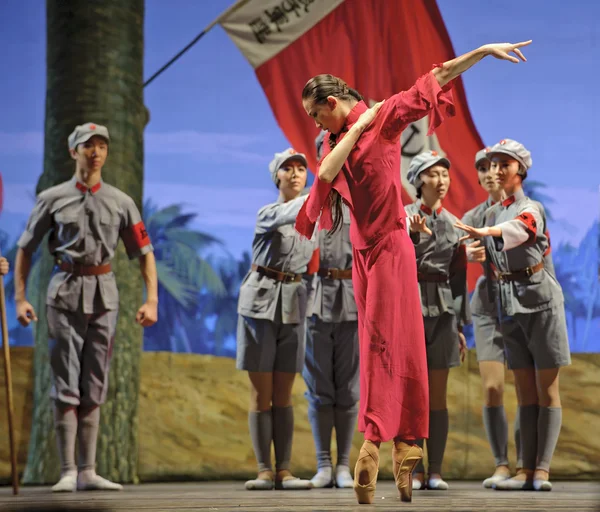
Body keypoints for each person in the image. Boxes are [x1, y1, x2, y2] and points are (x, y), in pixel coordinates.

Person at [296, 41, 532, 504]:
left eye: (315, 115)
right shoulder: (334, 137)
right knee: (393, 341)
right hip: (363, 254)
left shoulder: (383, 119)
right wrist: (358, 123)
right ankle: (406, 440)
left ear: (330, 104)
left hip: (391, 249)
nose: (315, 125)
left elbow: (434, 80)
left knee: (382, 340)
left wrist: (481, 52)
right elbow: (324, 173)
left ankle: (372, 440)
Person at [14, 122, 158, 492]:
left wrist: (151, 299)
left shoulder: (121, 201)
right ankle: (66, 470)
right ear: (73, 151)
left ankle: (88, 470)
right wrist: (19, 297)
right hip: (63, 293)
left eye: (101, 146)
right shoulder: (52, 197)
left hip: (104, 295)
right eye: (87, 146)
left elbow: (144, 253)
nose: (95, 152)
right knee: (66, 381)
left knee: (95, 381)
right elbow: (25, 249)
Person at [455, 139, 570, 492]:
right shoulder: (489, 213)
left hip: (541, 303)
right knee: (523, 391)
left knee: (546, 388)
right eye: (492, 164)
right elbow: (474, 246)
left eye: (505, 163)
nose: (497, 169)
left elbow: (520, 229)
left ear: (520, 169)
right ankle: (522, 469)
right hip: (508, 304)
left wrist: (486, 233)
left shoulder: (530, 207)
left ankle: (542, 469)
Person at [236, 149, 316, 491]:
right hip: (260, 303)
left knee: (284, 392)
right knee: (261, 392)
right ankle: (263, 470)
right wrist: (324, 186)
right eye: (288, 169)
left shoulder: (313, 218)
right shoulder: (268, 212)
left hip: (294, 304)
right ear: (277, 177)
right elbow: (293, 212)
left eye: (301, 168)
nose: (296, 174)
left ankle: (284, 469)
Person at [404, 151, 470, 491]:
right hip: (411, 310)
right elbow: (396, 264)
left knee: (439, 397)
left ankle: (436, 471)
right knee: (415, 395)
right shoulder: (401, 218)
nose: (441, 181)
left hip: (443, 311)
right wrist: (413, 238)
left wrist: (460, 325)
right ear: (418, 180)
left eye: (445, 174)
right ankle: (414, 470)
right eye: (433, 174)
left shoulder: (454, 223)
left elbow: (458, 278)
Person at [461, 148, 521, 488]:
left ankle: (528, 464)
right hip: (486, 303)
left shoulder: (525, 210)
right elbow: (457, 260)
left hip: (521, 301)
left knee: (527, 391)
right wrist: (466, 253)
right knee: (493, 387)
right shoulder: (472, 216)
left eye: (495, 166)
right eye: (482, 168)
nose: (489, 173)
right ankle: (501, 463)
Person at [303, 132, 359, 489]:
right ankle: (323, 463)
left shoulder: (360, 200)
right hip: (315, 300)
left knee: (349, 389)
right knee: (319, 387)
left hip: (353, 301)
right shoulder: (311, 202)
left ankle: (342, 465)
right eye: (327, 150)